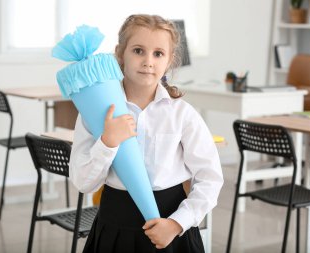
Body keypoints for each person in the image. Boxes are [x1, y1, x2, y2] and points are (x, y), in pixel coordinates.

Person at [69, 14, 224, 253]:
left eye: (158, 53)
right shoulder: (95, 113)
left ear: (170, 60)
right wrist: (107, 142)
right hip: (114, 227)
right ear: (120, 53)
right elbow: (83, 183)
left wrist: (177, 223)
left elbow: (210, 178)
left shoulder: (182, 114)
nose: (148, 61)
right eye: (138, 50)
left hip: (170, 227)